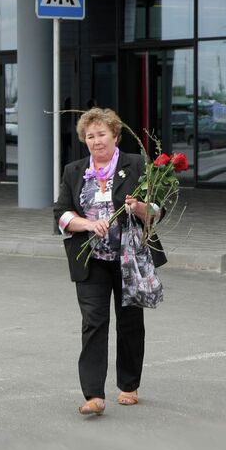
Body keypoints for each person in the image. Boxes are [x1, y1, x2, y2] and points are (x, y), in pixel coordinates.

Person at [53, 107, 166, 416]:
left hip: (129, 259)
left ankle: (129, 385)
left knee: (130, 322)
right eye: (90, 136)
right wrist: (88, 225)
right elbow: (61, 214)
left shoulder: (136, 165)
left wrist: (140, 207)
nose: (96, 141)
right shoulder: (73, 170)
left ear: (115, 136)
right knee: (93, 323)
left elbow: (158, 210)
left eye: (102, 134)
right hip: (91, 259)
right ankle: (93, 395)